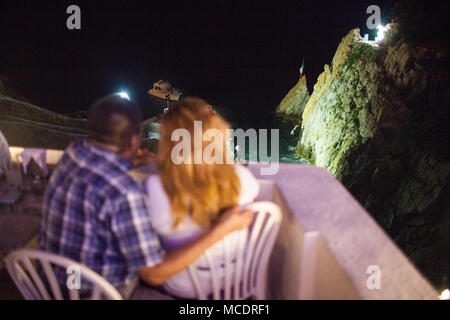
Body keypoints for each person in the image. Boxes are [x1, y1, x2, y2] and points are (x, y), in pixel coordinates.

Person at [39, 94, 254, 298]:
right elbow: (152, 274)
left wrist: (161, 164)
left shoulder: (73, 153)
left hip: (56, 281)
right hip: (97, 292)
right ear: (134, 141)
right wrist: (221, 228)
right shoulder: (125, 191)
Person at [145, 97, 260, 298]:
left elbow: (153, 274)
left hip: (187, 289)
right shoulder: (242, 179)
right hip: (239, 283)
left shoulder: (156, 189)